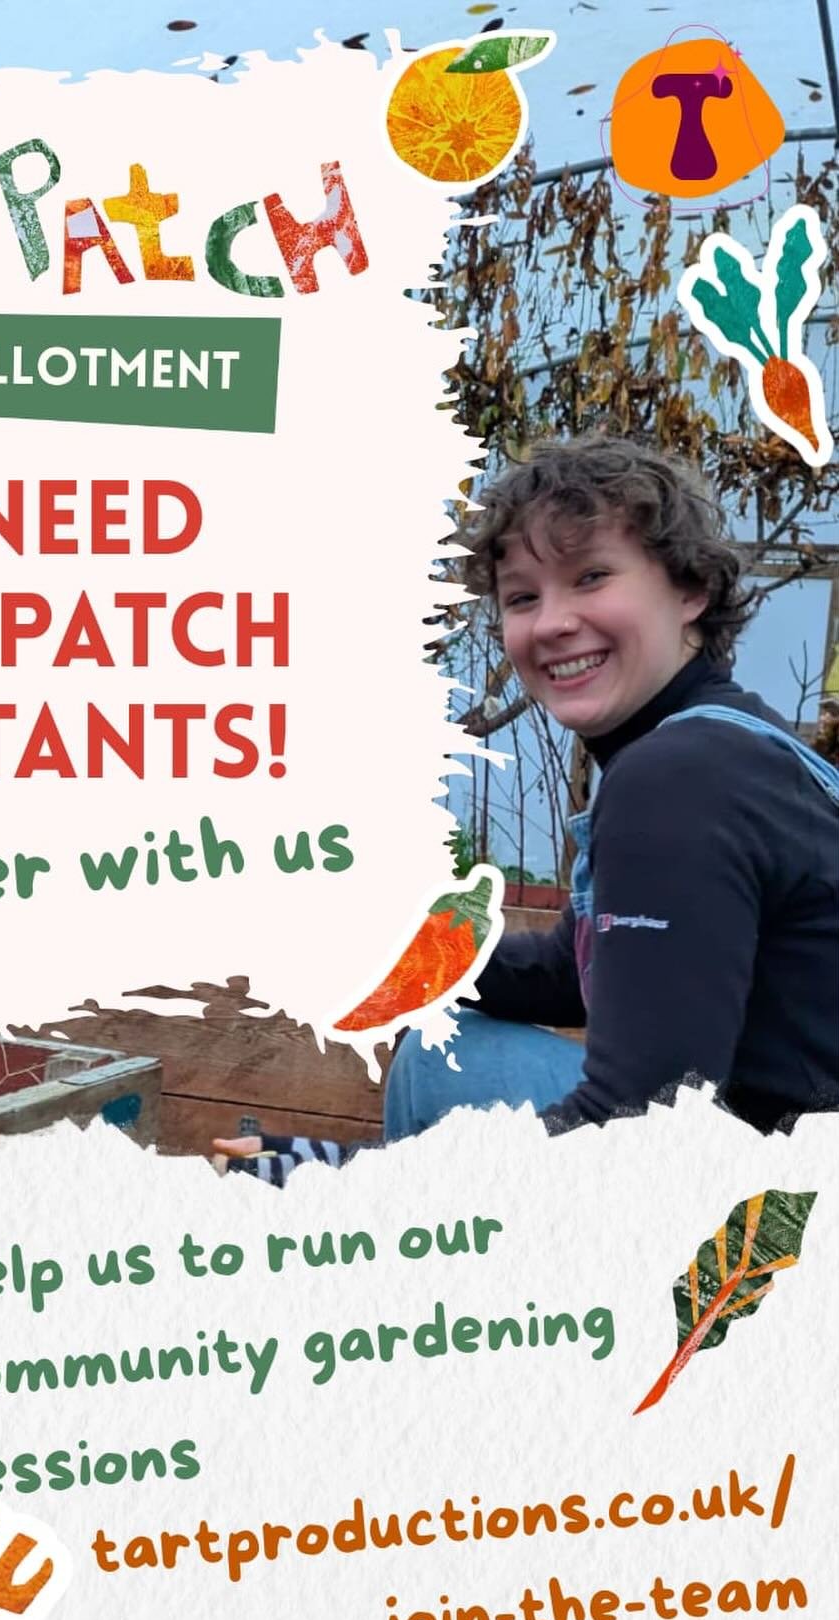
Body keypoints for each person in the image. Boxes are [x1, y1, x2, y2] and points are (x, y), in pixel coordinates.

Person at [219, 438, 839, 1182]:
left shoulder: (680, 781)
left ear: (690, 590)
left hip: (773, 1216)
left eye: (592, 577)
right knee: (452, 1044)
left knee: (443, 1065)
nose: (551, 623)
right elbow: (577, 972)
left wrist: (336, 1175)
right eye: (523, 597)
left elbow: (643, 1132)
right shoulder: (734, 741)